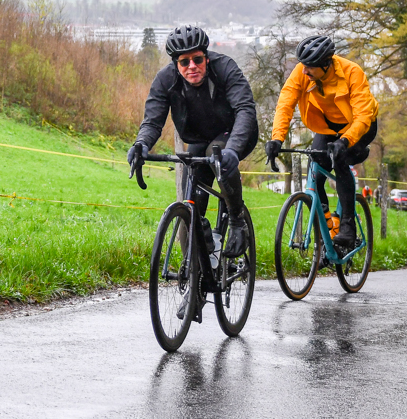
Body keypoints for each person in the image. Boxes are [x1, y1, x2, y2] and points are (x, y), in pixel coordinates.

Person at [127, 25, 259, 271]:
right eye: (184, 61)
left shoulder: (225, 68)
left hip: (235, 134)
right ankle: (195, 273)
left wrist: (233, 148)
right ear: (175, 64)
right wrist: (141, 144)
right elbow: (153, 120)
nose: (192, 66)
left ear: (206, 58)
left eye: (197, 59)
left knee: (216, 155)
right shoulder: (165, 79)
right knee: (191, 201)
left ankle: (236, 219)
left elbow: (245, 110)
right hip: (198, 137)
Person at [266, 35, 379, 253]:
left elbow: (363, 116)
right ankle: (328, 225)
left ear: (326, 65)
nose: (304, 71)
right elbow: (285, 103)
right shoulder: (302, 71)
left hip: (359, 127)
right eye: (303, 66)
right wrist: (277, 138)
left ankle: (348, 225)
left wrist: (345, 141)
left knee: (340, 160)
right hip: (327, 128)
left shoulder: (352, 72)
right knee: (316, 171)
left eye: (310, 67)